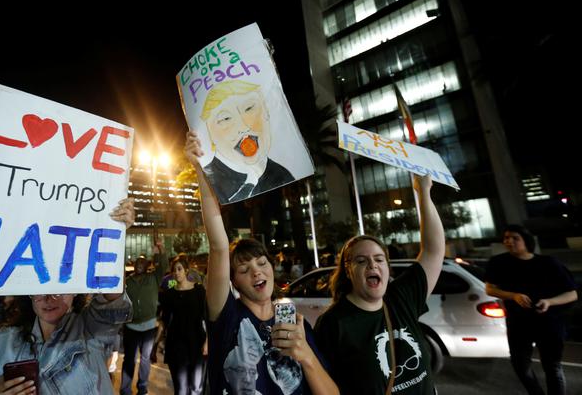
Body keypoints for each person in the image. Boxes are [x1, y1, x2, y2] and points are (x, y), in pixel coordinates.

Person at [185, 131, 338, 395]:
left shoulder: (296, 327)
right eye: (244, 269)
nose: (256, 271)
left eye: (262, 263)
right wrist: (200, 168)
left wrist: (306, 357)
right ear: (232, 281)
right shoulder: (227, 319)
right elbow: (219, 247)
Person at [0, 197, 136, 395]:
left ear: (75, 291)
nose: (48, 298)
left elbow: (112, 300)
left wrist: (114, 232)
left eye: (59, 288)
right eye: (39, 287)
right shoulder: (1, 343)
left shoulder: (91, 331)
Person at [314, 174, 444, 394]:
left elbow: (433, 250)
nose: (372, 265)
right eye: (361, 261)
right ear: (348, 270)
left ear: (387, 266)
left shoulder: (401, 298)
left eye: (379, 259)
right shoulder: (333, 324)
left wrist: (423, 191)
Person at [485, 225, 577, 395]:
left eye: (514, 238)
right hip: (518, 323)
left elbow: (572, 294)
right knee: (520, 365)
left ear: (526, 241)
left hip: (549, 323)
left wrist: (549, 302)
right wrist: (513, 296)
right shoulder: (498, 262)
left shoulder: (549, 263)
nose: (509, 241)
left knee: (552, 367)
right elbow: (490, 289)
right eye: (506, 238)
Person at [200, 80, 294, 203]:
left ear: (266, 111)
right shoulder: (209, 182)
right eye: (225, 118)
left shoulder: (283, 176)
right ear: (210, 134)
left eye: (249, 108)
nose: (243, 126)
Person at [120, 241, 168, 395]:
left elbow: (163, 265)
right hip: (131, 327)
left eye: (143, 262)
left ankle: (142, 388)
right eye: (137, 262)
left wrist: (160, 251)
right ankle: (125, 390)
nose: (140, 264)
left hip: (148, 328)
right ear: (134, 265)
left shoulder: (154, 277)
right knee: (129, 359)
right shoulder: (128, 281)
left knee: (145, 359)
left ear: (147, 265)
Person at [160, 256, 207, 395]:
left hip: (196, 342)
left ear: (186, 270)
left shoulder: (199, 291)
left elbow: (206, 317)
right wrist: (157, 343)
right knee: (180, 389)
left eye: (179, 269)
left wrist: (207, 341)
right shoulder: (169, 294)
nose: (176, 272)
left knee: (196, 387)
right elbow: (165, 320)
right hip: (176, 344)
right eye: (174, 270)